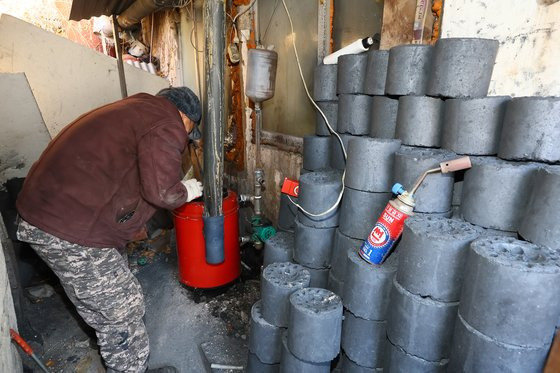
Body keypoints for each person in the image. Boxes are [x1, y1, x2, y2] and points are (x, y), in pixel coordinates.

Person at [15, 87, 204, 373]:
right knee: (123, 309)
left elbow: (130, 175)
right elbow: (163, 192)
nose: (187, 138)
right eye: (190, 132)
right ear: (185, 118)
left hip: (44, 213)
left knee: (98, 298)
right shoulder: (167, 122)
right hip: (69, 226)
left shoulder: (136, 110)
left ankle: (113, 346)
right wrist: (185, 190)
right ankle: (128, 366)